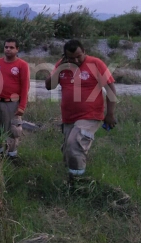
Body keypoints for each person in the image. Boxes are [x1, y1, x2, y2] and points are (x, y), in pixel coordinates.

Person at [44, 39, 117, 180]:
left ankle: (78, 183)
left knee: (74, 145)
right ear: (65, 56)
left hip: (90, 115)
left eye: (79, 56)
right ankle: (72, 177)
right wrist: (59, 69)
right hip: (69, 117)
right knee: (67, 151)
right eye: (72, 58)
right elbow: (49, 86)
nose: (76, 60)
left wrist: (110, 114)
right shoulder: (62, 65)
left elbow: (110, 89)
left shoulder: (96, 63)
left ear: (84, 52)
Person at [0, 38, 30, 159]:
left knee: (12, 131)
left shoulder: (22, 65)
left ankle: (11, 156)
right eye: (6, 47)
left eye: (11, 47)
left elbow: (25, 87)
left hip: (12, 103)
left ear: (17, 49)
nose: (8, 49)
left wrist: (22, 106)